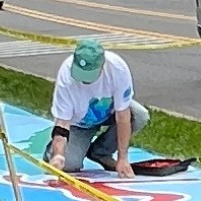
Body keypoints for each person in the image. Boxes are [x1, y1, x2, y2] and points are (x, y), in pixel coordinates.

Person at [45, 39, 147, 178]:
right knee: (69, 165)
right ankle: (51, 152)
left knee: (140, 115)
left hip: (110, 112)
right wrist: (58, 155)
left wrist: (122, 159)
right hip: (79, 124)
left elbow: (123, 115)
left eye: (90, 75)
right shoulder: (66, 75)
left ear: (102, 66)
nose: (84, 81)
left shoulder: (118, 69)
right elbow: (62, 122)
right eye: (81, 74)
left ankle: (101, 152)